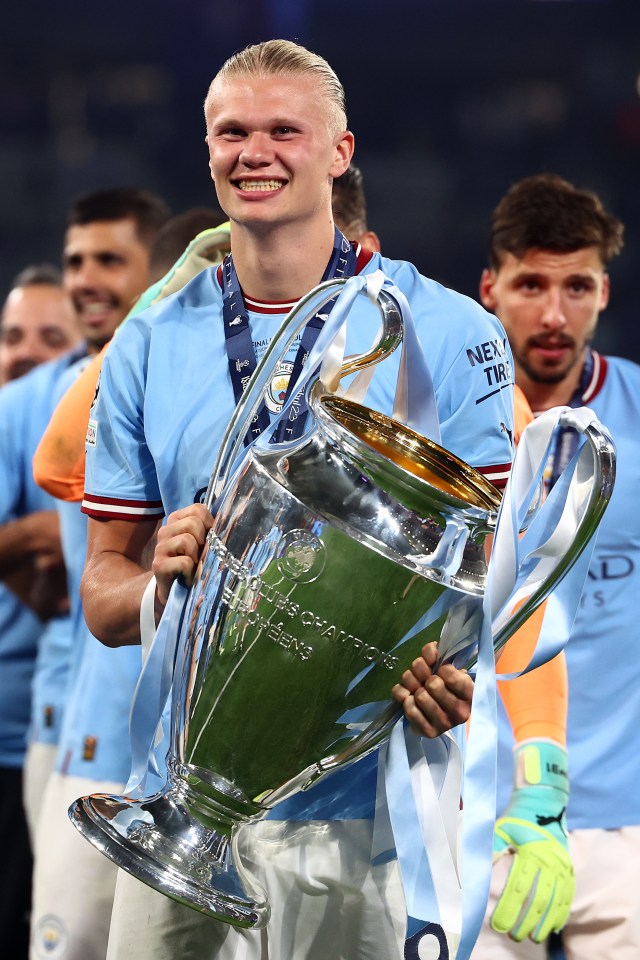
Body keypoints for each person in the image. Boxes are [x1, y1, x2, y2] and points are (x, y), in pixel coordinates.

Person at [80, 40, 515, 960]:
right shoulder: (149, 341)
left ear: (341, 151)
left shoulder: (448, 331)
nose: (255, 153)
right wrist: (161, 584)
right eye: (232, 132)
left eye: (285, 130)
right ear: (207, 151)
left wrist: (453, 675)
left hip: (355, 816)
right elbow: (103, 597)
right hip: (177, 804)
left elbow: (489, 580)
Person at [472, 173, 633, 960]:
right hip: (474, 810)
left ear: (604, 291)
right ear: (490, 288)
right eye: (531, 284)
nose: (553, 313)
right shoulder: (449, 430)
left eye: (577, 286)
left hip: (626, 819)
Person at [25, 187, 170, 960]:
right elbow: (53, 463)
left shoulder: (204, 372)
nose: (83, 279)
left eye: (110, 261)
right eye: (76, 260)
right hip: (94, 735)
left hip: (185, 759)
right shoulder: (69, 393)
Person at [0, 265, 80, 959]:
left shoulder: (78, 416)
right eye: (12, 336)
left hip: (43, 728)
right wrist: (48, 534)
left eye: (49, 337)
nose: (24, 351)